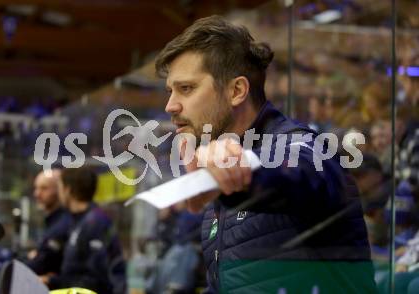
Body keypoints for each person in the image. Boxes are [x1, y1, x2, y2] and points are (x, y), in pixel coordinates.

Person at [155, 15, 376, 293]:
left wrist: (243, 169)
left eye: (186, 88)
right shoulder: (222, 181)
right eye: (170, 91)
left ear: (237, 90)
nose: (170, 105)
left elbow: (298, 169)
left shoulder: (302, 145)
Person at [42, 167, 126, 294]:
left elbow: (96, 279)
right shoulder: (78, 221)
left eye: (60, 188)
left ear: (68, 190)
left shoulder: (95, 223)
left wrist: (52, 281)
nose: (59, 194)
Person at [26, 169, 70, 276]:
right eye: (36, 188)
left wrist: (36, 257)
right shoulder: (53, 221)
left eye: (44, 188)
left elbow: (41, 265)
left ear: (59, 190)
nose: (37, 194)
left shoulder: (63, 224)